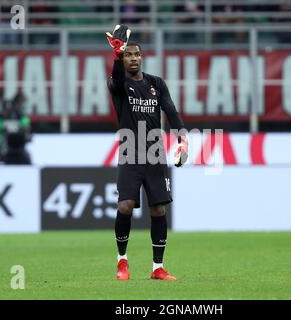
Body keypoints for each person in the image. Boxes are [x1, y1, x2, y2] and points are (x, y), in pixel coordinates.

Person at [105, 25, 188, 281]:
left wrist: (182, 137)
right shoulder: (118, 85)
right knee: (125, 205)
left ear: (142, 57)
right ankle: (122, 262)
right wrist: (116, 57)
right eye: (128, 54)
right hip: (130, 152)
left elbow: (171, 111)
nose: (132, 58)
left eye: (135, 54)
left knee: (159, 210)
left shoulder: (156, 84)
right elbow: (117, 77)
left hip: (155, 154)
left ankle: (157, 268)